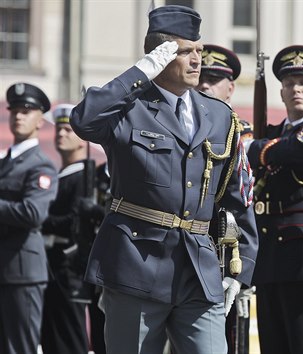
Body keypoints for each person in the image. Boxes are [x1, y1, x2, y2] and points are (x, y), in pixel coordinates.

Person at [69, 5, 258, 354]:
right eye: (186, 52)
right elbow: (83, 120)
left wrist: (241, 267)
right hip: (136, 264)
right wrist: (139, 73)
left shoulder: (219, 116)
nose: (197, 60)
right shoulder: (127, 108)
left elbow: (237, 195)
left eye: (199, 51)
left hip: (200, 270)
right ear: (160, 56)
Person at [246, 44, 303, 354]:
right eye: (289, 83)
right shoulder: (272, 132)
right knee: (273, 344)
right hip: (269, 251)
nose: (296, 89)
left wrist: (260, 150)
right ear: (281, 92)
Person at [196, 43, 253, 354]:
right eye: (201, 76)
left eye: (213, 79)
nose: (204, 84)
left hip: (219, 256)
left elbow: (242, 201)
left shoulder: (239, 136)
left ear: (230, 88)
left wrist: (242, 268)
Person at [0, 83, 58, 354]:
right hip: (6, 267)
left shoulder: (41, 164)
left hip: (22, 271)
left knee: (20, 347)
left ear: (40, 120)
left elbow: (33, 213)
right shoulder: (6, 162)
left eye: (26, 111)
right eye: (15, 111)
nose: (19, 116)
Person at [40, 103, 92, 354]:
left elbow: (74, 222)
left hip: (68, 266)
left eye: (69, 131)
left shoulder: (84, 177)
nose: (61, 135)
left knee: (68, 338)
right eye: (58, 130)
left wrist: (37, 218)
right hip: (51, 264)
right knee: (51, 337)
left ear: (84, 139)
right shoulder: (62, 175)